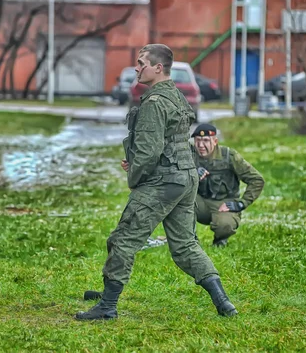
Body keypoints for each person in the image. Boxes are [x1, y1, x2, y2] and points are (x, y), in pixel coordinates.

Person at [75, 44, 237, 321]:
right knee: (185, 245)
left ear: (158, 67)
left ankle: (107, 306)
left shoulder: (154, 102)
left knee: (123, 240)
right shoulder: (176, 95)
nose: (137, 69)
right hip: (185, 177)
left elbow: (149, 151)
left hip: (163, 180)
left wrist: (134, 176)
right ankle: (224, 303)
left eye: (141, 63)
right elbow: (168, 141)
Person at [192, 123, 265, 247]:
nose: (200, 145)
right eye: (197, 140)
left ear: (215, 141)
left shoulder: (229, 156)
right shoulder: (189, 155)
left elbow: (257, 180)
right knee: (178, 202)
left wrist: (241, 203)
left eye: (205, 141)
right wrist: (193, 174)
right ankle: (189, 242)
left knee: (225, 225)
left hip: (223, 203)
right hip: (199, 203)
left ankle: (220, 240)